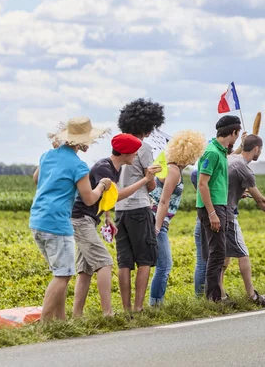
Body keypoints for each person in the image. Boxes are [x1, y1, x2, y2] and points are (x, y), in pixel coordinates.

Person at [29, 117, 112, 322]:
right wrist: (102, 185)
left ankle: (61, 321)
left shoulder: (47, 155)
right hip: (57, 224)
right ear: (82, 142)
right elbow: (89, 198)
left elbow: (36, 179)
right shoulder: (78, 166)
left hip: (37, 220)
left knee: (59, 273)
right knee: (63, 275)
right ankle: (45, 324)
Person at [70, 133, 161, 318]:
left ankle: (76, 316)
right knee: (105, 262)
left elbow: (107, 196)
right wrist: (145, 179)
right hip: (81, 219)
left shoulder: (112, 167)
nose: (136, 155)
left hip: (85, 219)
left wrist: (107, 216)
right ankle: (107, 314)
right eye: (134, 152)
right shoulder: (106, 169)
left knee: (85, 269)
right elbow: (117, 195)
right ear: (126, 153)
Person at [221, 134, 265, 306]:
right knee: (243, 253)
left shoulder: (231, 158)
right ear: (256, 149)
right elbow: (261, 201)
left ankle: (219, 294)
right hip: (227, 214)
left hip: (215, 211)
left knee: (223, 255)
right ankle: (252, 296)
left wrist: (237, 192)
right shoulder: (245, 169)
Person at [114, 98, 165, 312]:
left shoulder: (118, 145)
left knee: (124, 262)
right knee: (145, 259)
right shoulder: (142, 147)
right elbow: (151, 184)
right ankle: (138, 307)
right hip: (139, 206)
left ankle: (126, 309)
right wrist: (151, 179)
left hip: (119, 209)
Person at [148, 130, 207, 306]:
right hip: (158, 220)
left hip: (156, 219)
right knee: (165, 265)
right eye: (195, 153)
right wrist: (158, 227)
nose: (196, 158)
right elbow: (164, 201)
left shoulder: (169, 166)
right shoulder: (174, 171)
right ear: (188, 152)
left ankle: (155, 303)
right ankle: (156, 305)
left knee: (162, 265)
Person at [196, 115, 241, 302]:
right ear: (233, 132)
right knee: (217, 253)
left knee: (218, 253)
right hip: (213, 208)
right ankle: (213, 298)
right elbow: (202, 184)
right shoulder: (212, 152)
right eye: (237, 135)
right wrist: (212, 213)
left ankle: (214, 296)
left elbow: (215, 181)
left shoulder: (220, 151)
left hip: (219, 205)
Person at [190, 168, 207, 297]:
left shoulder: (196, 174)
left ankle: (202, 296)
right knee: (203, 263)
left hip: (200, 220)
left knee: (203, 262)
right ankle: (200, 297)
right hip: (204, 221)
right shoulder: (198, 174)